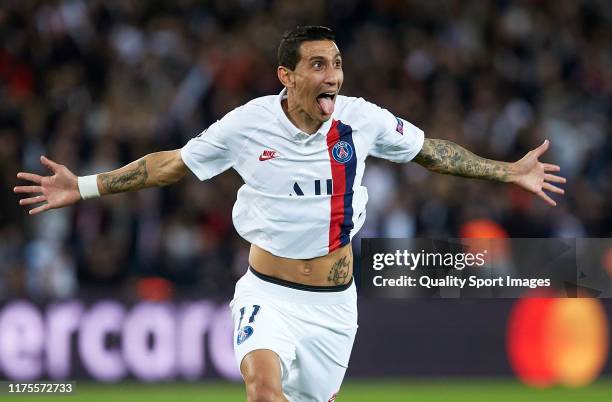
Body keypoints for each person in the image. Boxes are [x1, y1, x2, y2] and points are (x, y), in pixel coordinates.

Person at [14, 26, 565, 402]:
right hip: (268, 294)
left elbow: (434, 153)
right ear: (287, 76)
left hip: (334, 308)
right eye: (318, 65)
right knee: (262, 391)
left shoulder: (361, 120)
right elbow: (170, 165)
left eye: (338, 64)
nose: (332, 76)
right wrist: (83, 187)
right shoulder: (247, 126)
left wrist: (508, 171)